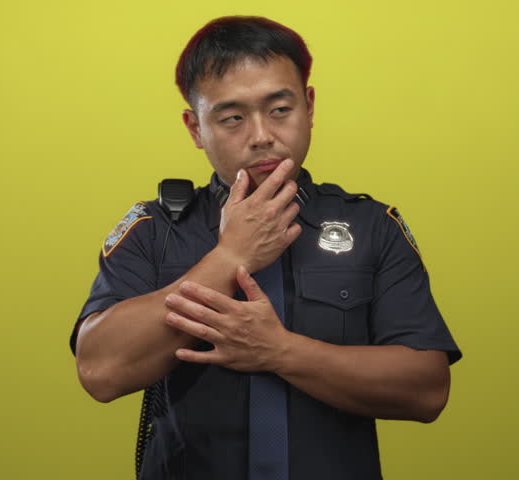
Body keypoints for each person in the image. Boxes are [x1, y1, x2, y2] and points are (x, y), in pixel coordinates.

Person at [70, 15, 462, 480]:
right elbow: (100, 372)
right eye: (232, 118)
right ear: (195, 128)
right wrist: (229, 257)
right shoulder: (154, 229)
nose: (261, 136)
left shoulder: (374, 226)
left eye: (279, 109)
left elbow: (426, 391)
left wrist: (279, 351)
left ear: (309, 106)